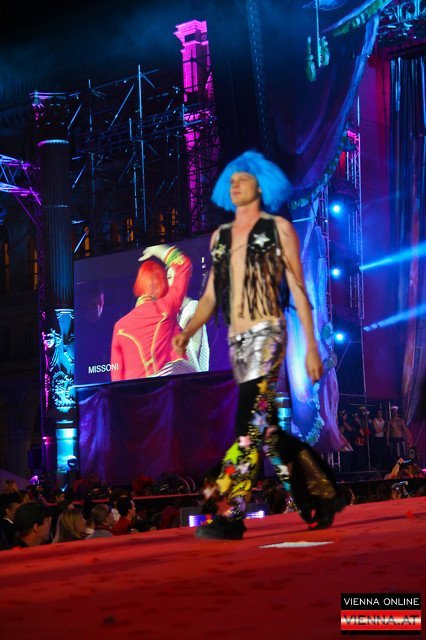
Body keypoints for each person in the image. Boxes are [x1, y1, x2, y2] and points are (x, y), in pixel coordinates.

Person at [172, 150, 343, 539]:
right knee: (265, 430)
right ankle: (320, 494)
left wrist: (311, 347)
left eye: (243, 179)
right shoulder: (221, 237)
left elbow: (298, 288)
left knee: (245, 426)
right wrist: (187, 330)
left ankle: (228, 511)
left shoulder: (277, 228)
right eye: (232, 179)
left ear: (260, 187)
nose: (235, 184)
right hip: (238, 342)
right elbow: (211, 295)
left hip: (267, 335)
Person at [110, 245, 194, 380]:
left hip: (134, 393)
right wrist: (157, 249)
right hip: (165, 390)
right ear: (162, 283)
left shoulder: (119, 326)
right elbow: (183, 265)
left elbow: (116, 379)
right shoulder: (166, 307)